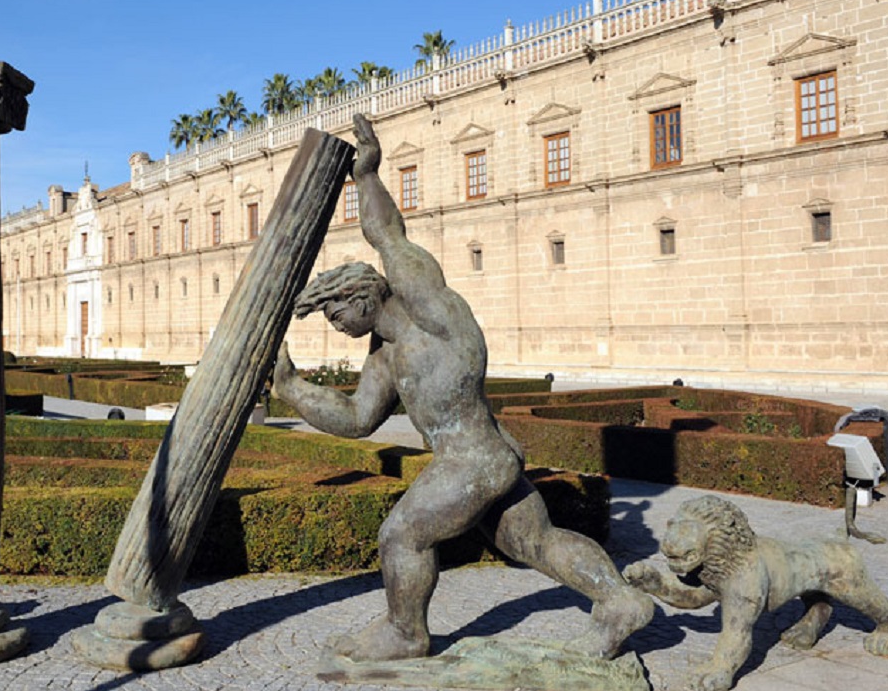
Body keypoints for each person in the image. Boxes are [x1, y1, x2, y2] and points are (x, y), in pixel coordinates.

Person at [273, 114, 652, 662]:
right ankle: (619, 601)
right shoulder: (384, 358)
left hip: (473, 461)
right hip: (487, 457)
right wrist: (291, 387)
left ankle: (406, 633)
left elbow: (388, 237)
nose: (332, 322)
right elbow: (356, 418)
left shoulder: (432, 312)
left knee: (401, 536)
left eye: (334, 310)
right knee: (535, 543)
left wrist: (367, 177)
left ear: (363, 296)